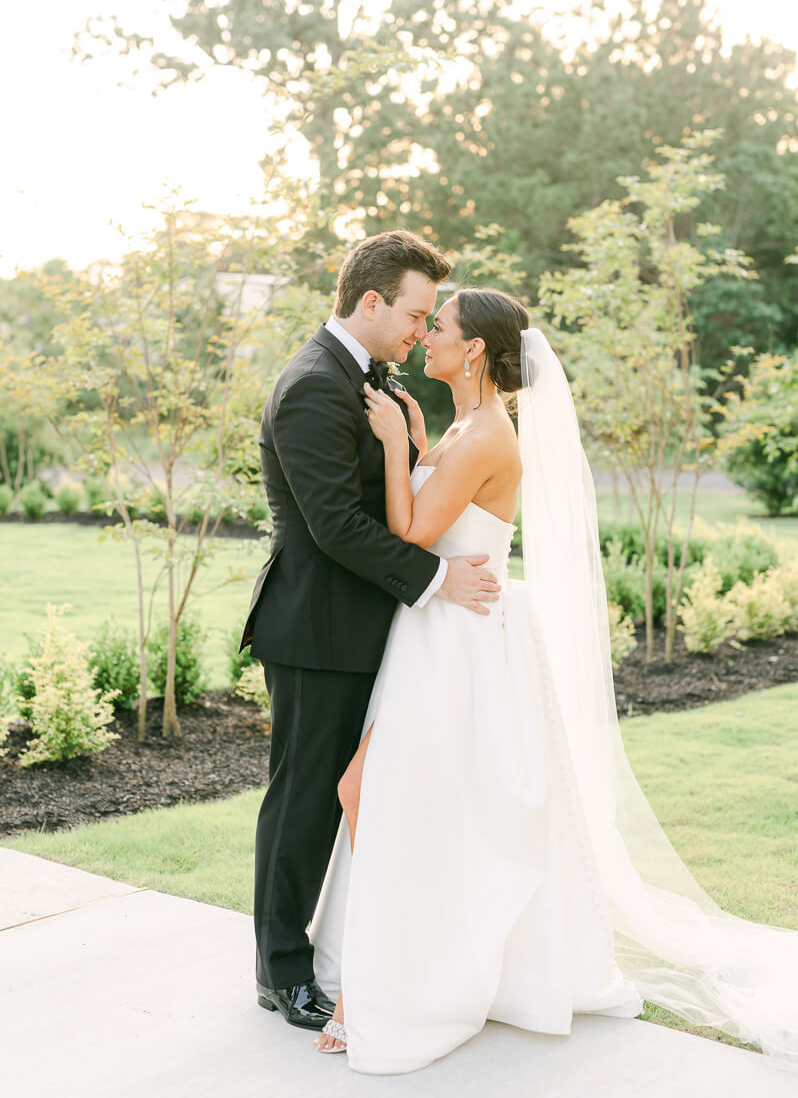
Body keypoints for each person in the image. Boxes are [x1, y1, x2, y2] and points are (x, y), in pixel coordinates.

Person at [309, 288, 798, 1073]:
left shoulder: (487, 433)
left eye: (439, 327)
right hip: (437, 633)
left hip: (461, 644)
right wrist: (418, 438)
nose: (426, 335)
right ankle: (395, 973)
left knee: (378, 794)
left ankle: (379, 989)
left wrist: (397, 445)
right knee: (394, 799)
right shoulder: (465, 426)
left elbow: (412, 529)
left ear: (471, 351)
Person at [240, 231, 502, 1032]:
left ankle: (330, 953)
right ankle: (281, 971)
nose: (422, 334)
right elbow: (334, 527)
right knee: (306, 800)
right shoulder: (315, 384)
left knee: (347, 795)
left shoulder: (367, 377)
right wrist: (436, 579)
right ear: (371, 301)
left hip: (362, 630)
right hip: (315, 630)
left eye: (432, 322)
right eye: (417, 316)